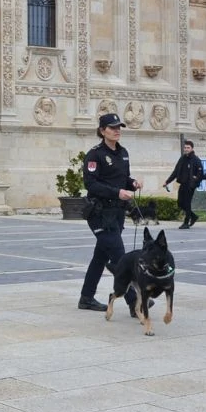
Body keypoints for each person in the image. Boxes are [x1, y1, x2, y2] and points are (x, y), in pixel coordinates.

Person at [78, 113, 144, 315]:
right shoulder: (95, 155)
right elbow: (91, 184)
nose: (117, 130)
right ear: (102, 131)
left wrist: (131, 183)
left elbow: (122, 178)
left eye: (119, 127)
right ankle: (134, 303)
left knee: (100, 257)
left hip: (116, 213)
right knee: (121, 258)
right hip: (99, 213)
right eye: (112, 127)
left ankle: (86, 298)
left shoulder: (123, 153)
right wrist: (117, 192)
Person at [163, 140, 204, 229]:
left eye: (188, 147)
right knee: (180, 203)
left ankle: (186, 222)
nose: (186, 149)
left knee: (187, 203)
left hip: (190, 185)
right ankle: (193, 216)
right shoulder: (182, 158)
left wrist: (195, 179)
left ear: (192, 148)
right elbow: (176, 171)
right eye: (185, 147)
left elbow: (200, 173)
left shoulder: (196, 159)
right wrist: (167, 181)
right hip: (183, 184)